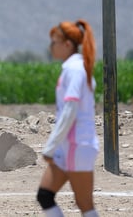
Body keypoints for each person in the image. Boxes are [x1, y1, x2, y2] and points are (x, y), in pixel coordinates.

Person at [37, 19, 99, 217]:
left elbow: (69, 111)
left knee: (85, 204)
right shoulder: (74, 68)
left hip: (77, 145)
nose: (51, 47)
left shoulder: (75, 69)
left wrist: (50, 146)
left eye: (54, 42)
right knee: (45, 195)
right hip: (69, 146)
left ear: (67, 45)